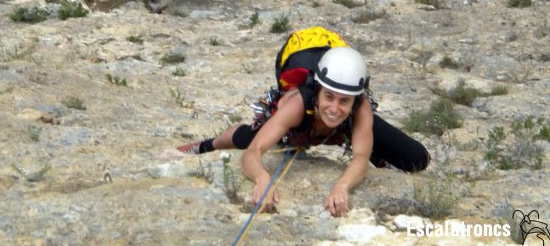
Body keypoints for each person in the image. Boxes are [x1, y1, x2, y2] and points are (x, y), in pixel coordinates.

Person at [178, 42, 430, 217]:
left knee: (417, 159)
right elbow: (253, 153)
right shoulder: (298, 104)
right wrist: (263, 179)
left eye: (344, 101)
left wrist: (341, 186)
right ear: (317, 91)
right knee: (247, 138)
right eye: (329, 97)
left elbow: (361, 158)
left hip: (342, 131)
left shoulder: (360, 107)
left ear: (355, 100)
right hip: (301, 127)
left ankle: (371, 147)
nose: (334, 107)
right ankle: (204, 145)